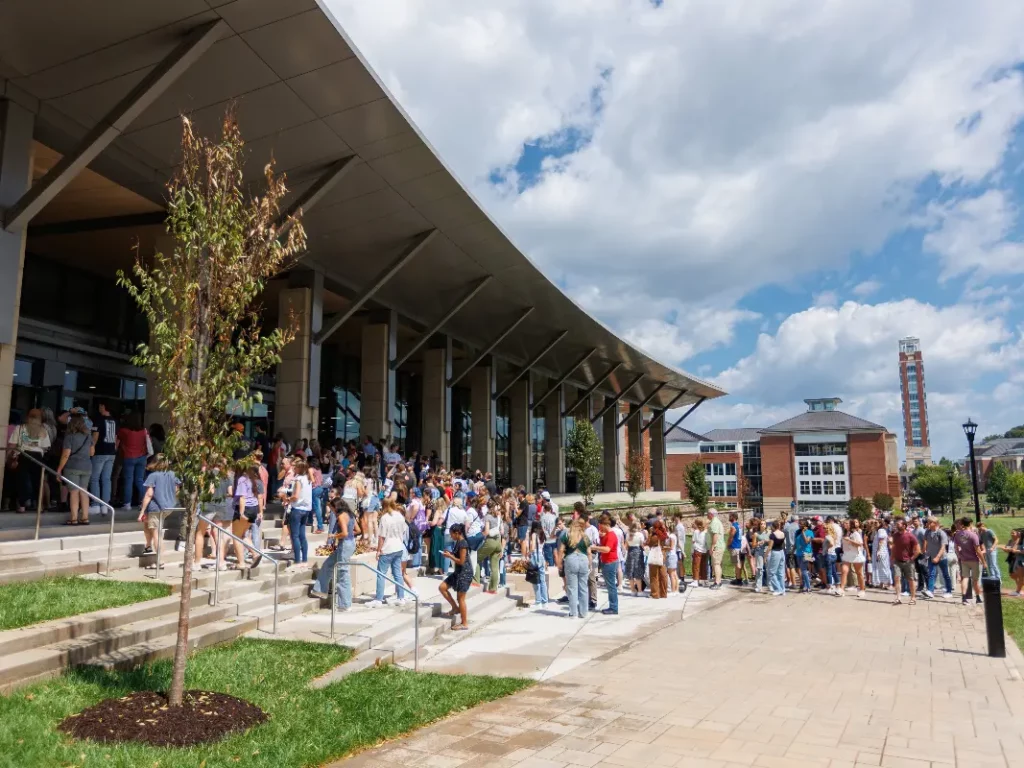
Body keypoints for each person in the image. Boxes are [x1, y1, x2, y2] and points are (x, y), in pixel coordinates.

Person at [311, 496, 359, 609]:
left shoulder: (342, 516)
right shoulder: (350, 515)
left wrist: (334, 536)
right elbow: (358, 530)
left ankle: (345, 604)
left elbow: (345, 533)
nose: (331, 510)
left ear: (335, 507)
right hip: (350, 543)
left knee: (343, 573)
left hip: (345, 544)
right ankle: (320, 590)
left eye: (331, 508)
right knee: (328, 564)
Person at [7, 408, 51, 513]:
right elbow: (46, 447)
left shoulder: (20, 428)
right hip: (38, 457)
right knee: (38, 482)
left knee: (22, 480)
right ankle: (40, 506)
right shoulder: (43, 430)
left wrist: (9, 456)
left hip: (23, 455)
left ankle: (22, 506)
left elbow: (12, 444)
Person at [138, 454, 179, 560]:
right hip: (168, 507)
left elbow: (149, 494)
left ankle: (160, 560)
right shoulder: (173, 475)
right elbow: (176, 490)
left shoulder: (153, 476)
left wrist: (142, 511)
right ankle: (148, 546)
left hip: (155, 508)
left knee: (156, 533)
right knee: (148, 525)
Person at [368, 498, 407, 607]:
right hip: (398, 546)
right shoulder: (400, 516)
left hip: (388, 548)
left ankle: (379, 599)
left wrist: (378, 550)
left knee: (381, 574)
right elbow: (403, 530)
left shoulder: (385, 518)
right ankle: (401, 597)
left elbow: (382, 537)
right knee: (398, 574)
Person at [56, 413, 94, 525]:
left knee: (73, 492)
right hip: (87, 466)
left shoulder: (69, 437)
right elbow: (92, 452)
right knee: (84, 491)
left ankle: (73, 518)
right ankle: (85, 517)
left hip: (72, 466)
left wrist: (59, 469)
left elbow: (66, 455)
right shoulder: (88, 436)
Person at [557, 517, 592, 619]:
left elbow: (561, 550)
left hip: (571, 559)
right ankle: (584, 612)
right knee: (583, 587)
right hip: (583, 559)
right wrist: (590, 564)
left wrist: (559, 563)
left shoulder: (567, 535)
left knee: (572, 588)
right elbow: (589, 552)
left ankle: (573, 613)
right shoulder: (585, 536)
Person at [438, 523, 471, 629]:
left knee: (461, 598)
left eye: (452, 534)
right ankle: (455, 608)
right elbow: (457, 555)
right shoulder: (458, 542)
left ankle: (464, 623)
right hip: (458, 572)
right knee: (442, 587)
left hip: (464, 573)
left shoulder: (463, 543)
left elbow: (461, 561)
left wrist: (450, 556)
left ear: (457, 533)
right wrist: (450, 553)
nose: (451, 536)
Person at [88, 402, 117, 516]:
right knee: (106, 479)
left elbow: (95, 436)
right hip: (111, 452)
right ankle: (105, 505)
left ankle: (96, 504)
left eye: (100, 405)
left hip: (100, 451)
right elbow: (116, 437)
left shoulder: (98, 420)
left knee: (94, 478)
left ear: (104, 407)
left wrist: (92, 447)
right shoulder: (115, 421)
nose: (99, 407)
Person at [117, 413, 148, 510]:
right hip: (142, 457)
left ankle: (127, 504)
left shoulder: (124, 431)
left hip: (129, 457)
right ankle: (144, 502)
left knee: (128, 480)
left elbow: (117, 439)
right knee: (140, 480)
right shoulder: (144, 431)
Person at [287, 458, 312, 567]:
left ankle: (297, 560)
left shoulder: (298, 480)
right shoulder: (308, 479)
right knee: (302, 535)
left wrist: (287, 499)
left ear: (299, 469)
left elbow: (296, 496)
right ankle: (304, 559)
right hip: (306, 509)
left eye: (295, 467)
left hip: (297, 508)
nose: (294, 468)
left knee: (295, 535)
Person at [953, 517, 984, 605]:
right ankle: (978, 598)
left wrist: (959, 555)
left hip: (964, 559)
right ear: (970, 523)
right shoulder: (973, 535)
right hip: (974, 560)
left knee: (965, 578)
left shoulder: (958, 534)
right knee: (975, 580)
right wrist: (984, 561)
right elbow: (978, 550)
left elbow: (956, 547)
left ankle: (964, 598)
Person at [890, 518, 921, 605]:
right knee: (897, 578)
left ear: (904, 526)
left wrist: (912, 558)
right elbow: (894, 547)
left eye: (899, 524)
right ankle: (898, 598)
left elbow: (918, 549)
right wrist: (891, 557)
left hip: (908, 561)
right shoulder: (895, 535)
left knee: (910, 579)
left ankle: (913, 598)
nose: (897, 525)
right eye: (896, 524)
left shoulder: (910, 536)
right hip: (897, 561)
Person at [594, 513, 620, 614]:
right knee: (610, 586)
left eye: (600, 525)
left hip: (610, 562)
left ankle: (613, 607)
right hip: (607, 561)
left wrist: (594, 547)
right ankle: (612, 606)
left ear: (605, 524)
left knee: (611, 586)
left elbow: (607, 549)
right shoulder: (607, 535)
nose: (599, 528)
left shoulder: (611, 535)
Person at [476, 500, 503, 594]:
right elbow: (502, 531)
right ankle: (493, 589)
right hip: (498, 542)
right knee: (495, 566)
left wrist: (479, 535)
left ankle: (476, 581)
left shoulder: (488, 516)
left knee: (476, 558)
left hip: (490, 541)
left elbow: (487, 531)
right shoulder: (498, 516)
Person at [923, 517, 954, 599]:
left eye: (930, 522)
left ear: (935, 523)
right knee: (931, 574)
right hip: (931, 556)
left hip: (941, 557)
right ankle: (930, 591)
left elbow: (943, 547)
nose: (928, 524)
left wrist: (937, 557)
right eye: (928, 522)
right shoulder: (927, 532)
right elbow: (925, 542)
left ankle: (949, 591)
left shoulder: (941, 533)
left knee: (945, 574)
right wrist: (925, 552)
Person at [839, 519, 867, 597]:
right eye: (844, 523)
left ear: (851, 525)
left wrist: (850, 540)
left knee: (859, 573)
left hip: (856, 555)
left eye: (847, 523)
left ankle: (862, 589)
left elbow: (860, 544)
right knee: (844, 571)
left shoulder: (855, 533)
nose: (845, 524)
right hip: (847, 554)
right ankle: (841, 589)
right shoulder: (845, 533)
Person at [526, 520, 549, 607]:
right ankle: (545, 601)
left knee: (535, 579)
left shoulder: (534, 534)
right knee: (543, 580)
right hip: (541, 557)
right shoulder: (543, 535)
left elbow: (532, 548)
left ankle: (538, 600)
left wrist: (527, 554)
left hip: (535, 556)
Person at [646, 520, 670, 599]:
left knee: (654, 575)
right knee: (663, 575)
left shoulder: (654, 536)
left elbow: (648, 543)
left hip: (655, 555)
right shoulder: (664, 534)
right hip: (662, 555)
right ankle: (663, 593)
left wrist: (650, 534)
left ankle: (655, 594)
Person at [624, 520, 646, 595]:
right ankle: (639, 591)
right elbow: (642, 545)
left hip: (630, 552)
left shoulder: (628, 534)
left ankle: (632, 590)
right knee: (638, 571)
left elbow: (626, 546)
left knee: (630, 571)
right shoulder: (640, 535)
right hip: (638, 552)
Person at [767, 520, 787, 596]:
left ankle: (777, 589)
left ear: (773, 526)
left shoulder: (773, 535)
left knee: (772, 572)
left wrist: (766, 556)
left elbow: (770, 547)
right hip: (781, 552)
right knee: (781, 572)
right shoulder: (783, 533)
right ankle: (783, 589)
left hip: (775, 552)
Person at [707, 510, 725, 590]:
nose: (706, 515)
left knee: (716, 564)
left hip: (716, 547)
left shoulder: (714, 522)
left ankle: (717, 582)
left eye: (707, 513)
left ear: (711, 514)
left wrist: (712, 547)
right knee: (717, 564)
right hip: (718, 546)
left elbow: (715, 535)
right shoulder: (716, 521)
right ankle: (718, 581)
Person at [872, 522, 893, 591]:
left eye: (876, 523)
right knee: (880, 568)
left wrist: (878, 551)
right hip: (879, 551)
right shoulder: (877, 531)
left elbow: (881, 541)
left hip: (881, 551)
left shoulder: (881, 530)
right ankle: (882, 582)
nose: (874, 524)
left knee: (884, 567)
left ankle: (889, 583)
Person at [750, 518, 769, 594]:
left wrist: (766, 541)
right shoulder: (756, 534)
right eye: (761, 524)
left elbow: (772, 541)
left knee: (768, 569)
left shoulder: (769, 533)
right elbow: (753, 545)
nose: (763, 525)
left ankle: (769, 585)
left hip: (767, 552)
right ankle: (758, 586)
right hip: (759, 552)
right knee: (759, 569)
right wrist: (759, 543)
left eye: (764, 524)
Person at [691, 518, 708, 587]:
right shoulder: (706, 532)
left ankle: (696, 580)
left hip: (697, 550)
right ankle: (704, 580)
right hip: (704, 551)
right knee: (704, 566)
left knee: (696, 566)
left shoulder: (696, 531)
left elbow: (693, 541)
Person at [727, 512, 744, 585]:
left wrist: (728, 544)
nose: (729, 517)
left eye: (730, 516)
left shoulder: (733, 527)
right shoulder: (739, 526)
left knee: (737, 563)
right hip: (738, 546)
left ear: (733, 517)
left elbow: (731, 537)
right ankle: (738, 577)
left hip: (734, 546)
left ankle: (739, 579)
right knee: (737, 563)